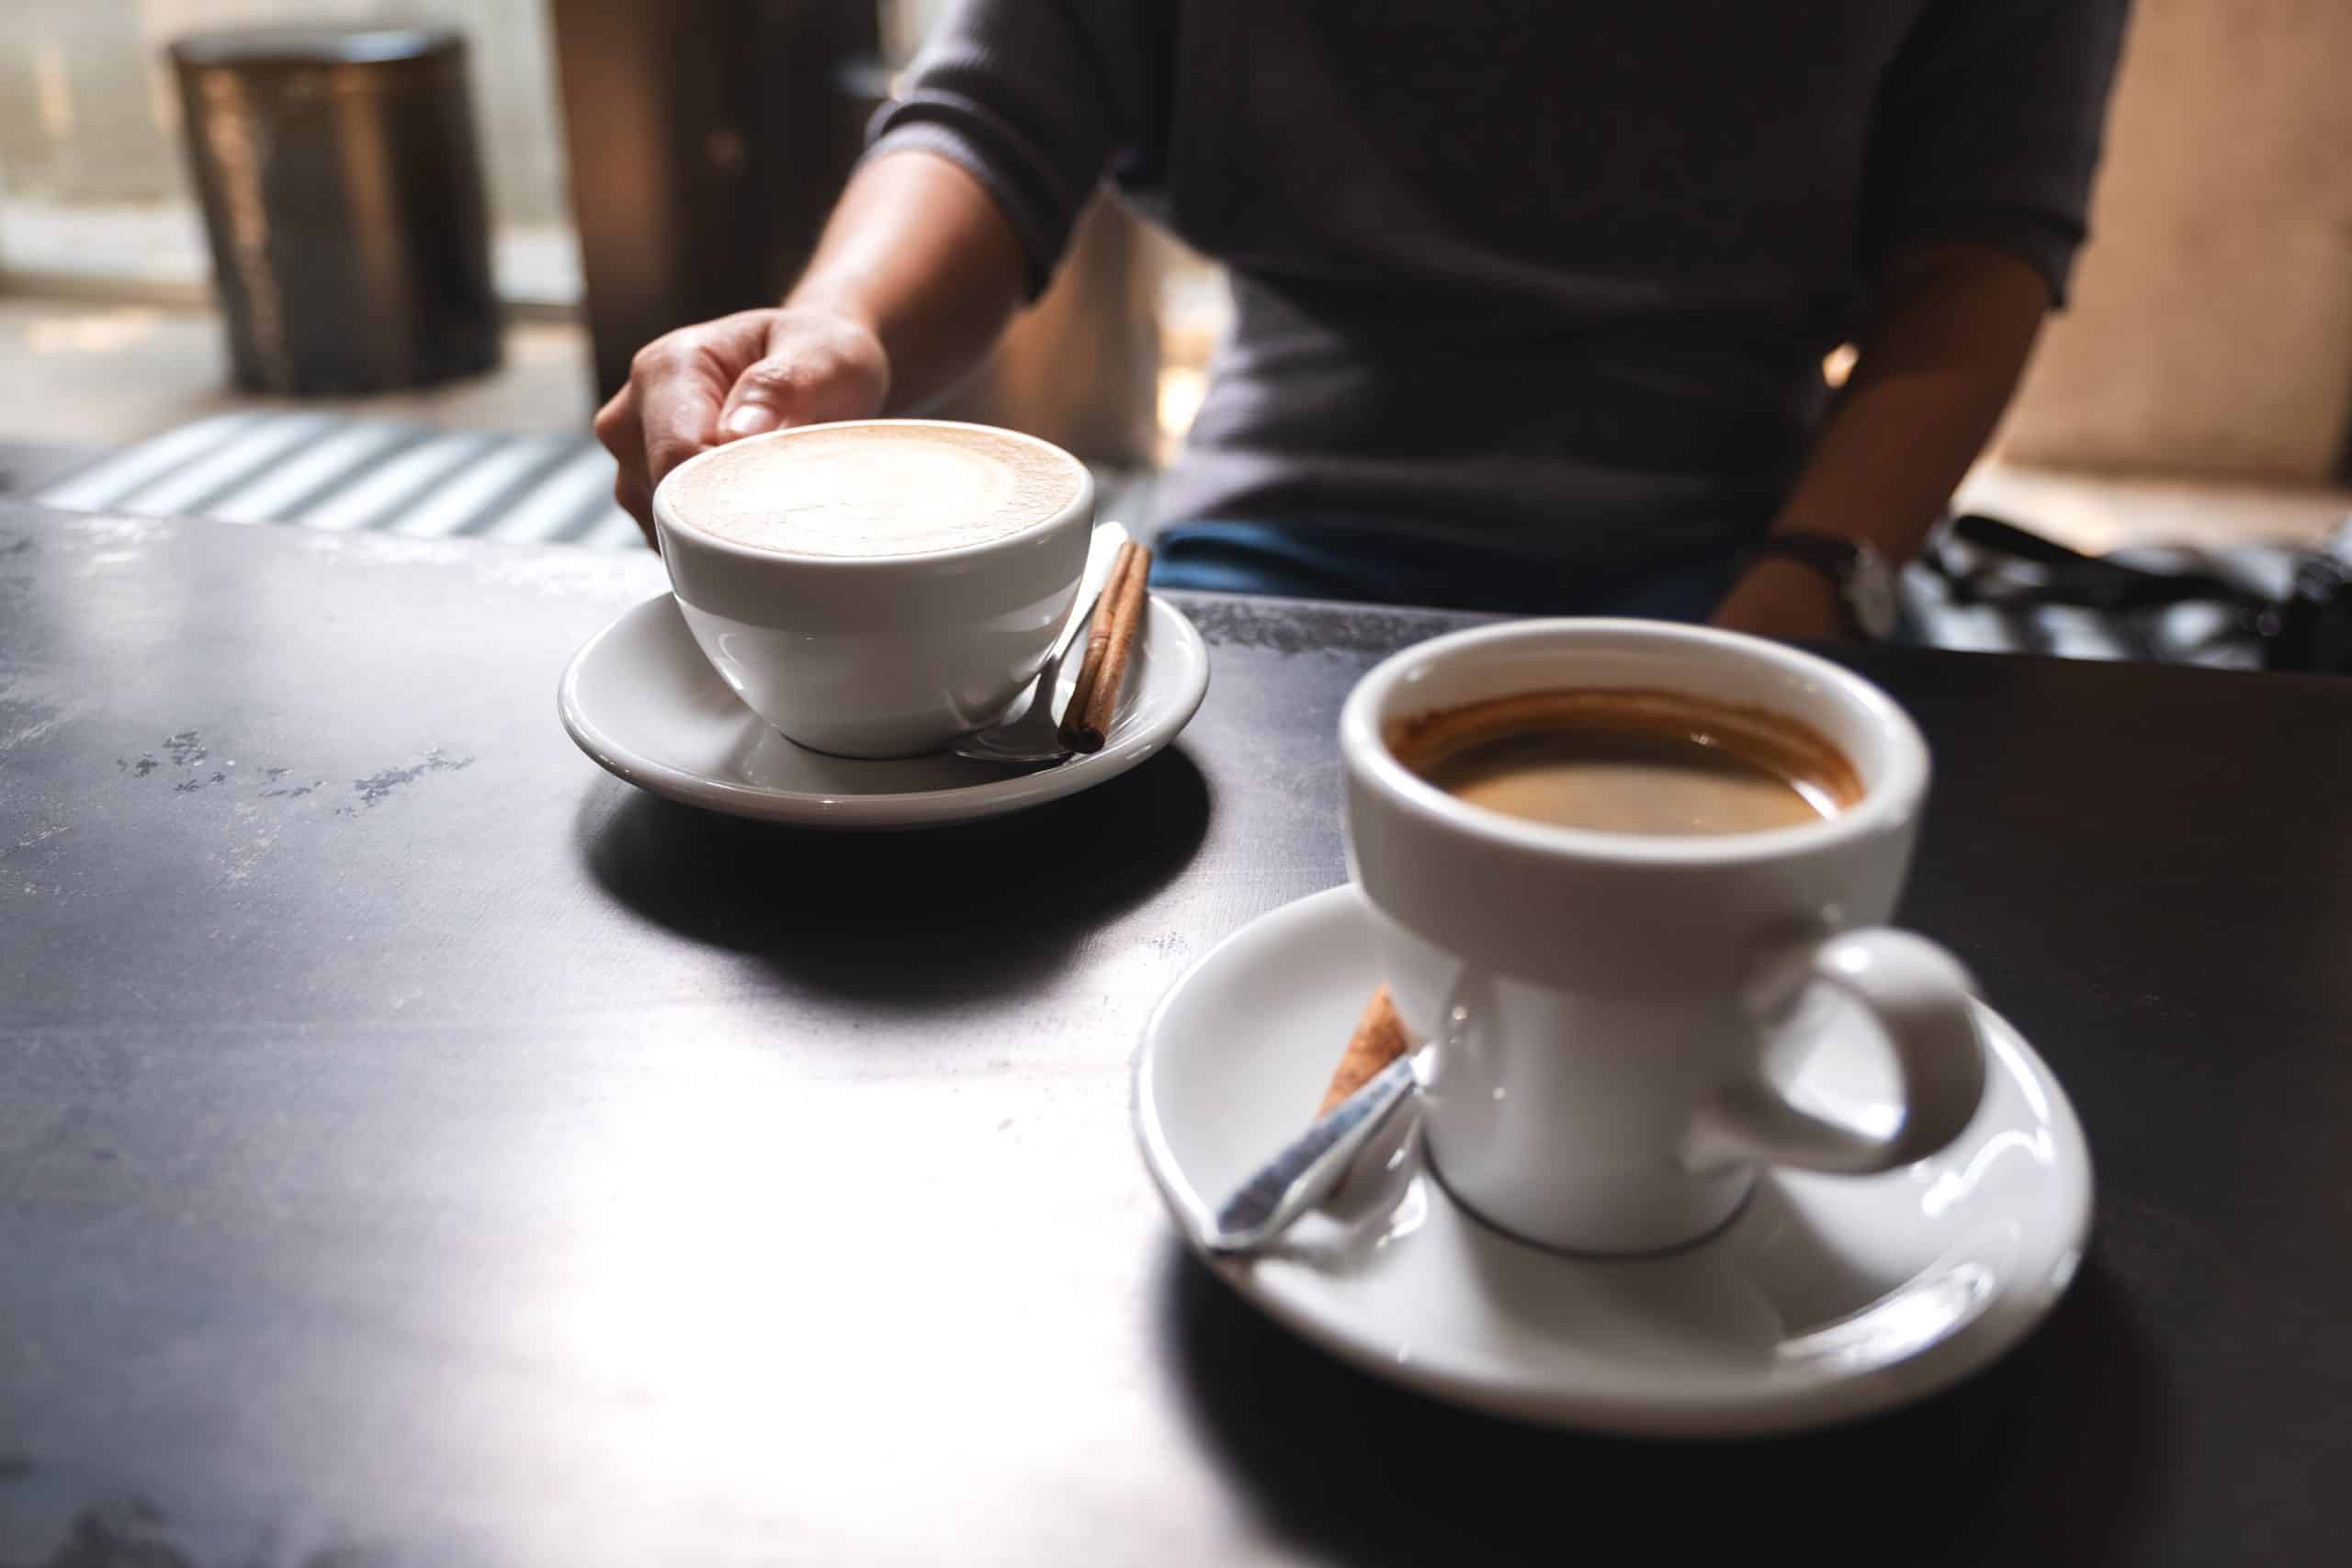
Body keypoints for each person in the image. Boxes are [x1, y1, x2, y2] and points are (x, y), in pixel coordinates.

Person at [596, 1, 2131, 639]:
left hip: (1766, 541)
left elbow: (1976, 248)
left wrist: (1820, 580)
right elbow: (1003, 105)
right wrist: (839, 329)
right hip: (1273, 542)